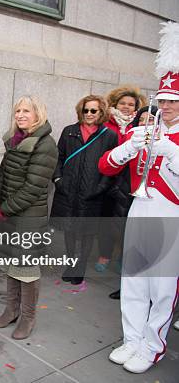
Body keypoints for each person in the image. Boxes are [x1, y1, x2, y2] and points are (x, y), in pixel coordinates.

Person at [101, 21, 179, 374]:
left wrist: (173, 153)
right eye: (163, 99)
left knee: (162, 287)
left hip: (171, 215)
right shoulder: (143, 130)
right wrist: (128, 146)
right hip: (140, 209)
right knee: (133, 280)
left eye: (174, 100)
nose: (168, 105)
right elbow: (106, 167)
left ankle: (152, 344)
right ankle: (132, 339)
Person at [0, 95, 58, 340]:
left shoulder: (45, 144)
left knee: (27, 269)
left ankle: (28, 317)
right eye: (17, 110)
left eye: (26, 110)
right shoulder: (16, 141)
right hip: (9, 215)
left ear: (38, 114)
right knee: (11, 264)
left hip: (28, 218)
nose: (20, 115)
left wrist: (4, 208)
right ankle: (11, 310)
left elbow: (33, 188)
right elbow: (1, 175)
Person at [50, 95, 117, 284]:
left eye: (93, 110)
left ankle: (80, 267)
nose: (89, 114)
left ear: (101, 112)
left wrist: (100, 187)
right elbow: (59, 157)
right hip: (68, 190)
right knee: (69, 229)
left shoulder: (109, 136)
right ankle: (71, 264)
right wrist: (58, 179)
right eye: (85, 110)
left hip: (92, 193)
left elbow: (112, 165)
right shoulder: (69, 131)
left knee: (88, 230)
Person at [97, 86, 146, 278]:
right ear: (115, 104)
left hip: (130, 182)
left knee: (126, 223)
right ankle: (104, 254)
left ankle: (123, 257)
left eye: (131, 104)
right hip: (109, 178)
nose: (126, 107)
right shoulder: (107, 123)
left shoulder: (140, 125)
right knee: (107, 221)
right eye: (123, 103)